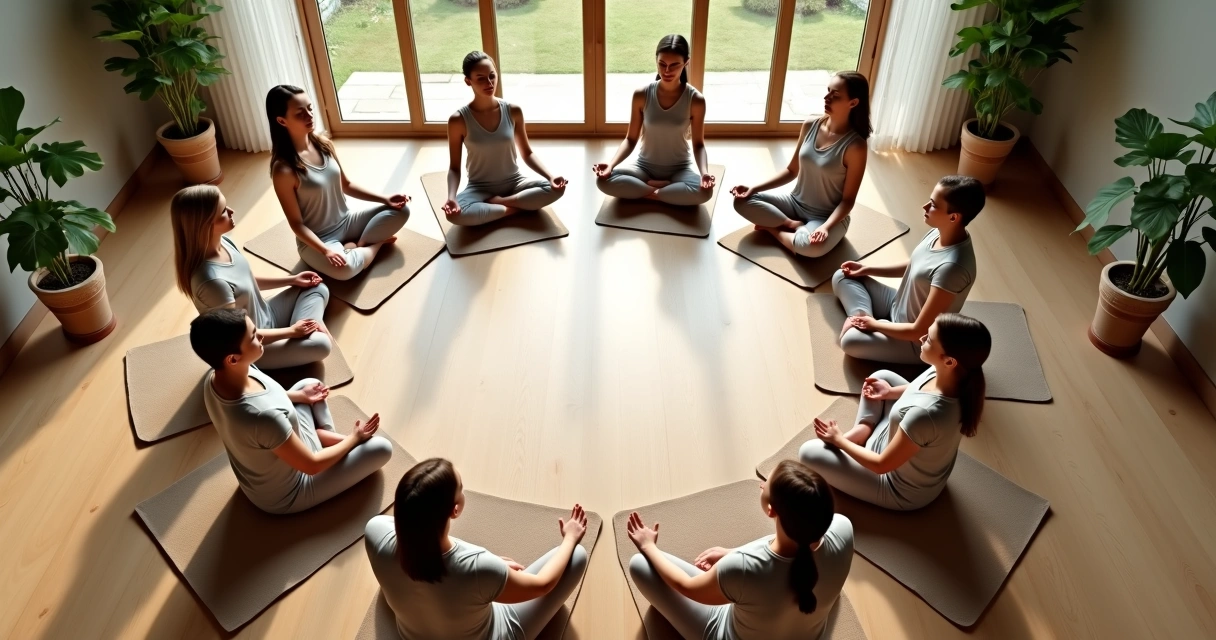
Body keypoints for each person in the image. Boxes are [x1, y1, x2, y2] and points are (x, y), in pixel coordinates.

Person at [189, 308, 393, 514]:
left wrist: (299, 396)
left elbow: (270, 398)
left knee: (309, 384)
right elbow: (311, 466)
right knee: (382, 448)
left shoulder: (216, 378)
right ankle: (326, 442)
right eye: (253, 335)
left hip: (283, 443)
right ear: (232, 358)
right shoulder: (262, 418)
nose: (261, 335)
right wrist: (354, 438)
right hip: (292, 490)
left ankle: (320, 438)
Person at [626, 460, 854, 640]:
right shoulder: (843, 529)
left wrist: (649, 546)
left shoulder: (742, 569)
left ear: (771, 510)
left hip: (727, 629)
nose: (761, 484)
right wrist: (732, 553)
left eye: (766, 484)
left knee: (639, 564)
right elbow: (793, 544)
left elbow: (686, 586)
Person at [365, 458, 589, 639]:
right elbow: (543, 584)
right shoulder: (479, 567)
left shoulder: (375, 536)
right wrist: (569, 538)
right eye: (461, 489)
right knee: (576, 556)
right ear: (455, 510)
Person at [800, 314, 991, 511]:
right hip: (901, 441)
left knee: (808, 452)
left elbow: (881, 465)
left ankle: (861, 436)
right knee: (881, 377)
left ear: (950, 361)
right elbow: (918, 391)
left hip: (895, 485)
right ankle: (864, 429)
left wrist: (838, 439)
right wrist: (889, 392)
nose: (921, 338)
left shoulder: (926, 415)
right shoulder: (952, 375)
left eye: (929, 339)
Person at [171, 184, 332, 369]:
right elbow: (236, 336)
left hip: (267, 315)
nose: (231, 211)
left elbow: (246, 280)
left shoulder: (224, 241)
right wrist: (291, 332)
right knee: (322, 345)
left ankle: (309, 329)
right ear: (205, 224)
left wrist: (292, 280)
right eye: (223, 211)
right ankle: (309, 331)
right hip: (255, 347)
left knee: (316, 286)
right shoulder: (212, 283)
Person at [832, 175, 985, 363]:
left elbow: (919, 331)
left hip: (914, 341)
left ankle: (864, 322)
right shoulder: (939, 231)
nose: (925, 207)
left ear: (953, 217)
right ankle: (863, 317)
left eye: (933, 205)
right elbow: (915, 265)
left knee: (849, 342)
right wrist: (867, 269)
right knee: (842, 276)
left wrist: (875, 326)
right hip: (896, 304)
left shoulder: (953, 269)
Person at [266, 84, 411, 280]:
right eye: (300, 113)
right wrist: (326, 251)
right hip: (318, 239)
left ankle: (359, 247)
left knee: (402, 210)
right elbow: (297, 225)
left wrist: (385, 199)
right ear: (282, 121)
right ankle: (376, 244)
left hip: (347, 222)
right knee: (345, 271)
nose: (309, 116)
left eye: (310, 108)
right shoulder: (283, 170)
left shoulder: (324, 144)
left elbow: (347, 185)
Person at [730, 72, 871, 258]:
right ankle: (791, 226)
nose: (826, 97)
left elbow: (848, 201)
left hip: (827, 217)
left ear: (853, 103)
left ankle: (773, 230)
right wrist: (753, 188)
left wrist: (826, 228)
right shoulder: (810, 124)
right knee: (741, 200)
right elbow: (791, 171)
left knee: (812, 248)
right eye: (828, 91)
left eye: (835, 95)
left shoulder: (856, 146)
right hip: (795, 203)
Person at [443, 52, 567, 226]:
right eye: (481, 78)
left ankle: (498, 204)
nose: (489, 83)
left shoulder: (513, 111)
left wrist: (550, 176)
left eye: (492, 76)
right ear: (467, 81)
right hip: (479, 188)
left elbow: (527, 153)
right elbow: (454, 168)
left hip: (514, 183)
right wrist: (451, 198)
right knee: (454, 215)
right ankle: (516, 207)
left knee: (555, 189)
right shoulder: (457, 120)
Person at [592, 34, 715, 207]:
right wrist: (611, 165)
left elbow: (699, 145)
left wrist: (704, 173)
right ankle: (665, 191)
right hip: (644, 168)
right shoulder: (642, 94)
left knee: (705, 192)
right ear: (656, 60)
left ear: (686, 63)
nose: (666, 71)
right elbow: (630, 139)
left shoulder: (696, 100)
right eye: (662, 64)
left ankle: (644, 191)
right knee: (603, 181)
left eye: (674, 65)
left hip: (679, 169)